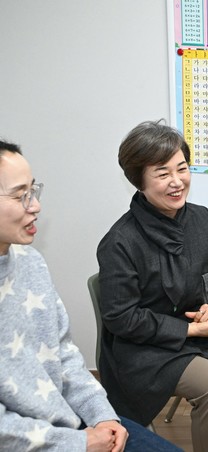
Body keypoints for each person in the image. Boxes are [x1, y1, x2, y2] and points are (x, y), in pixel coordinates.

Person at [96, 122, 208, 452]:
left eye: (182, 168)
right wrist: (189, 330)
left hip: (204, 329)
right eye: (162, 173)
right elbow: (121, 318)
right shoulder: (120, 242)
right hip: (146, 346)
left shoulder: (204, 220)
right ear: (139, 180)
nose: (177, 181)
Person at [0, 140, 180, 451]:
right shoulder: (122, 239)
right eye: (20, 196)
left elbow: (63, 354)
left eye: (33, 190)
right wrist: (78, 443)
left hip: (70, 422)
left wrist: (103, 416)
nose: (36, 206)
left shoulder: (31, 262)